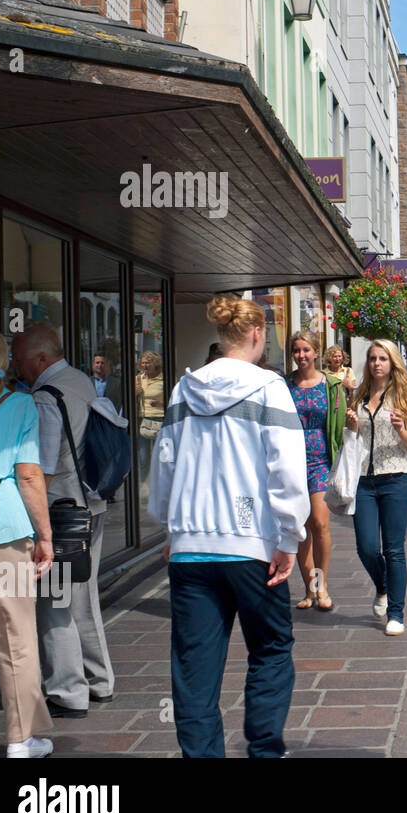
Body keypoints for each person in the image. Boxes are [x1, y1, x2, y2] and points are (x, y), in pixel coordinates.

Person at [150, 297, 309, 758]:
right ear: (257, 334)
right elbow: (286, 468)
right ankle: (263, 749)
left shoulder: (184, 389)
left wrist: (170, 528)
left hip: (191, 546)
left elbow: (165, 461)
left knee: (194, 670)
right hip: (252, 544)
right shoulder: (269, 387)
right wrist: (289, 536)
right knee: (271, 648)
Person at [12, 324, 115, 719]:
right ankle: (98, 680)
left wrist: (38, 524)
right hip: (90, 506)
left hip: (61, 514)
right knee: (84, 600)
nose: (17, 368)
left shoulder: (44, 398)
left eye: (20, 361)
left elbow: (45, 466)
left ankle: (68, 691)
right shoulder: (81, 381)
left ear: (40, 359)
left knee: (55, 602)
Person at [0, 327, 55, 757]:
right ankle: (21, 741)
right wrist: (45, 535)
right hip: (2, 529)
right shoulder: (20, 403)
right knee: (15, 637)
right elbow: (29, 474)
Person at [345, 340, 407, 634]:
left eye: (383, 359)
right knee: (365, 547)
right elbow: (352, 438)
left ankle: (396, 613)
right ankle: (383, 585)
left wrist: (401, 430)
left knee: (394, 549)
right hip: (363, 479)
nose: (377, 363)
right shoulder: (359, 396)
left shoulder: (405, 399)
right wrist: (351, 427)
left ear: (393, 364)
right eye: (373, 358)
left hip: (396, 478)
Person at [286, 331, 346, 610]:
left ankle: (322, 586)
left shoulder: (332, 385)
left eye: (306, 350)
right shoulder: (285, 385)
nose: (301, 355)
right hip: (291, 460)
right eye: (297, 350)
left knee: (320, 523)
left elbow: (342, 424)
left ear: (316, 352)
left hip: (321, 460)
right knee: (301, 528)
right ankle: (309, 589)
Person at [134, 350, 165, 479]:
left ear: (156, 364)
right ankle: (144, 487)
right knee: (143, 458)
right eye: (143, 363)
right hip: (143, 420)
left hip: (161, 420)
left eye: (148, 363)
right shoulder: (138, 379)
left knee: (161, 456)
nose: (144, 366)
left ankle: (160, 483)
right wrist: (135, 392)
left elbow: (175, 400)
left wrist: (160, 403)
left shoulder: (166, 378)